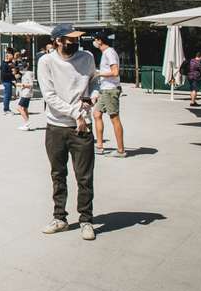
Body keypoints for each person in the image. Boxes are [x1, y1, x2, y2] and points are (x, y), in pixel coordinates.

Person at [38, 23, 97, 241]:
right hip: (56, 127)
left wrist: (95, 94)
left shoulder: (87, 57)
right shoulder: (46, 62)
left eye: (76, 38)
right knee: (58, 174)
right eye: (70, 39)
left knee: (84, 177)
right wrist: (76, 114)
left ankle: (86, 220)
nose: (74, 42)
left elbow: (94, 79)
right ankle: (60, 218)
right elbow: (50, 96)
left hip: (83, 128)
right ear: (58, 41)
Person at [91, 33, 125, 157]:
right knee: (96, 114)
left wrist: (99, 74)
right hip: (105, 89)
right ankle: (99, 146)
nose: (94, 42)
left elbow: (115, 72)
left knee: (114, 118)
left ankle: (121, 150)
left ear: (100, 41)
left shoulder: (109, 52)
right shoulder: (107, 53)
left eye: (95, 40)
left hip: (110, 90)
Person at [16, 66, 34, 131]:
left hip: (26, 93)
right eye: (20, 69)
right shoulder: (25, 74)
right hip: (26, 93)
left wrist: (22, 85)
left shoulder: (27, 74)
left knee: (18, 108)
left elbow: (31, 84)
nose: (20, 70)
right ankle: (26, 125)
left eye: (22, 69)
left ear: (25, 68)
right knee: (25, 108)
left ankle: (27, 122)